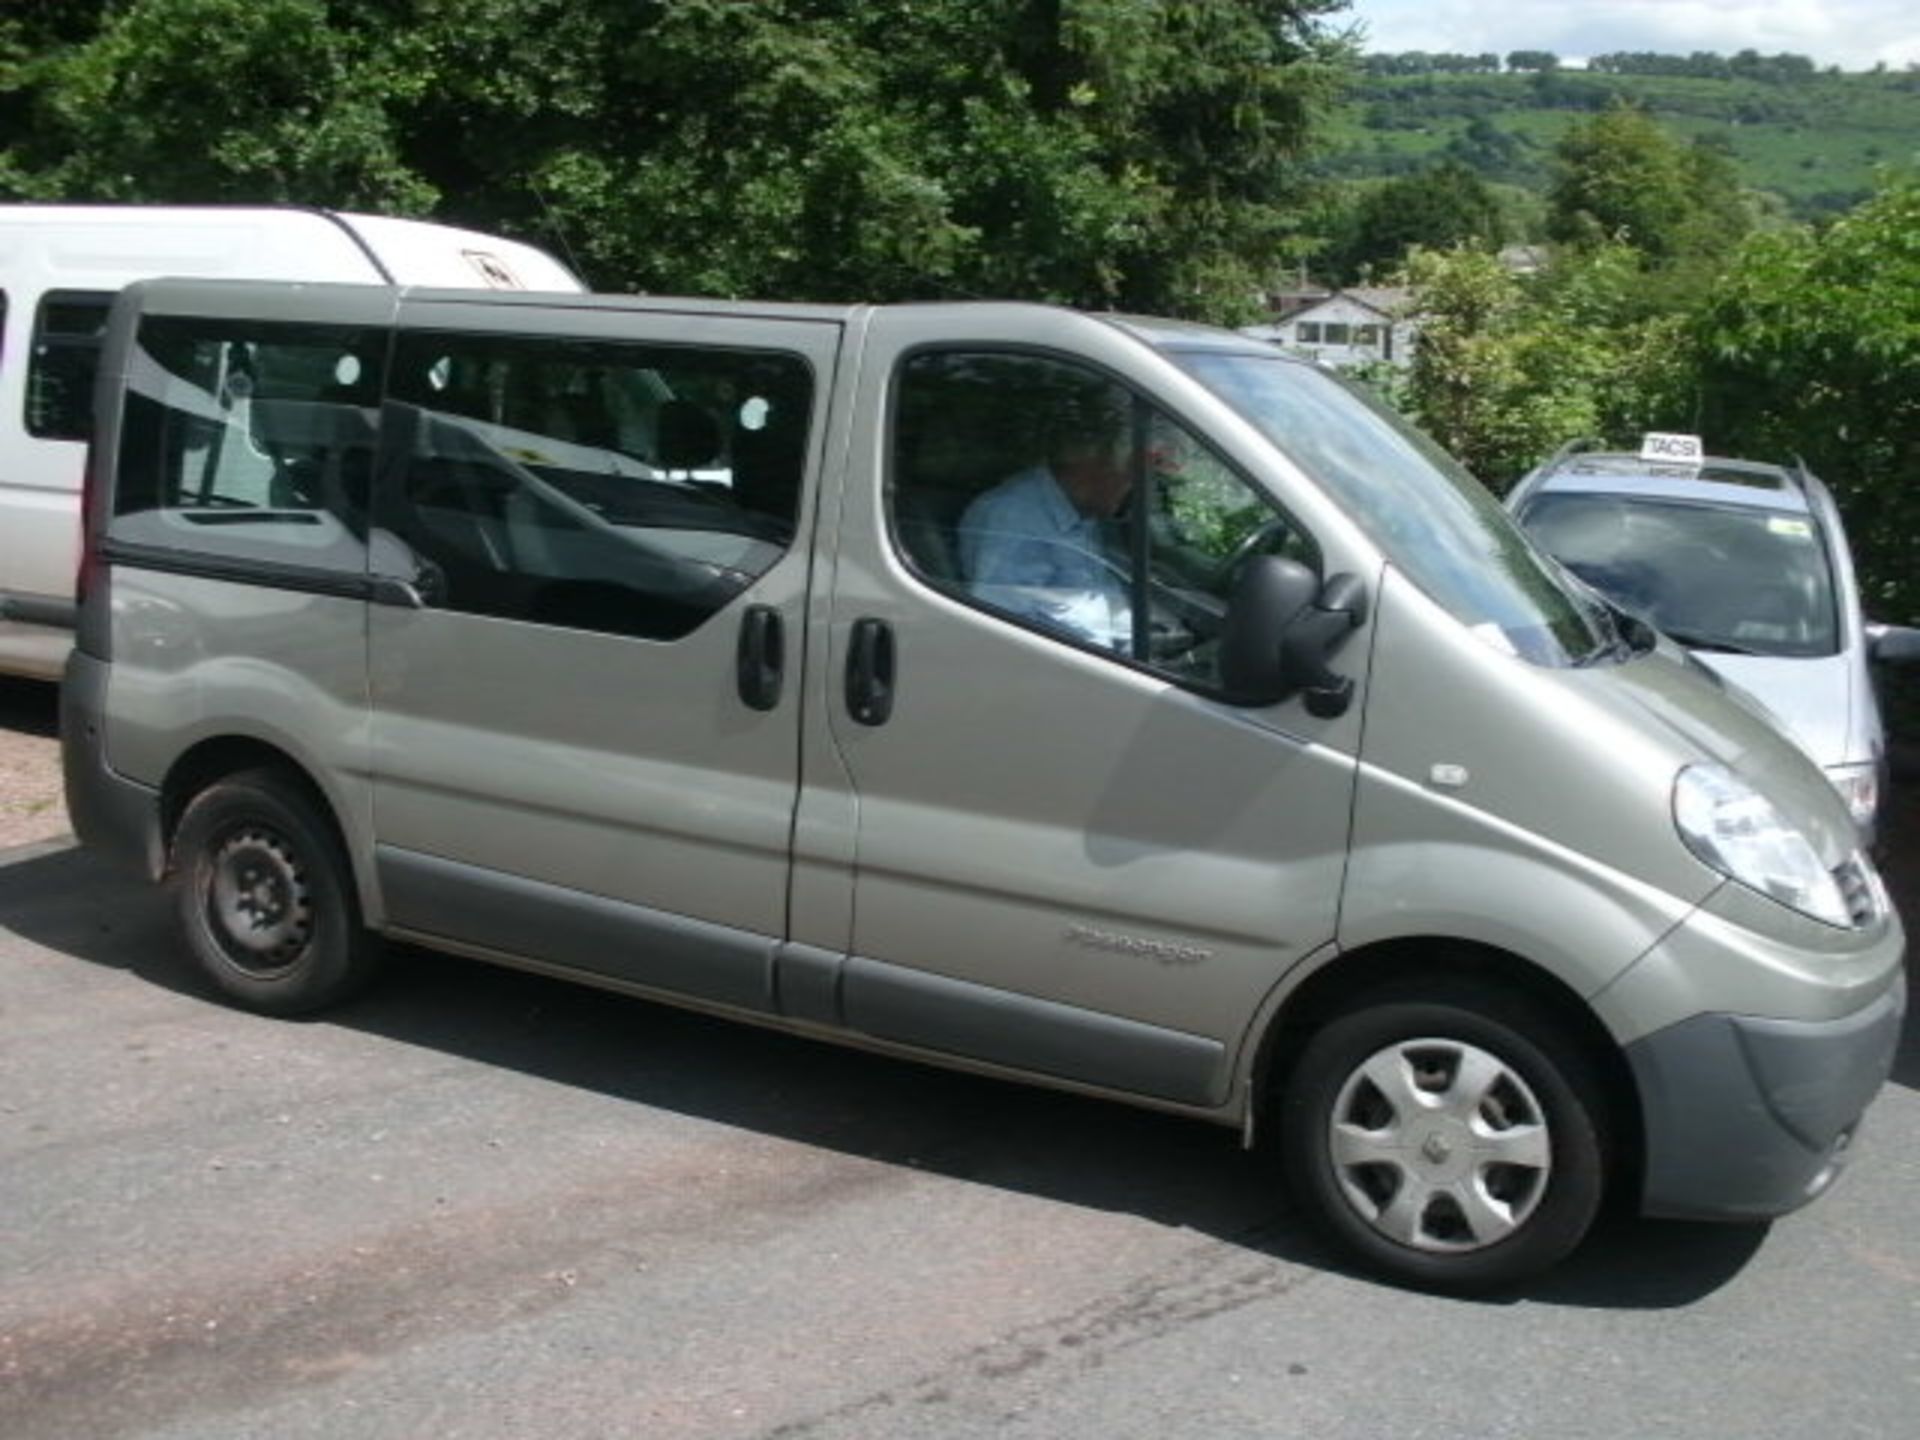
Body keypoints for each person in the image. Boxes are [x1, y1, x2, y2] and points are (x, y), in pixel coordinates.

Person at [957, 413, 1137, 651]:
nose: (1132, 486)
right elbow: (1002, 628)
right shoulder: (1015, 516)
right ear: (1094, 467)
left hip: (1106, 661)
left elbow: (1102, 596)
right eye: (1128, 473)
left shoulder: (1080, 512)